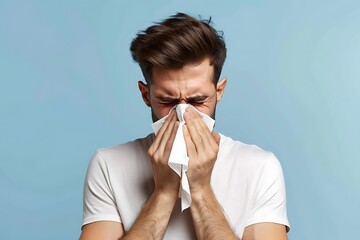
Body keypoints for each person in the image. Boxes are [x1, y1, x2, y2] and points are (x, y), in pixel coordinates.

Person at [79, 13, 290, 240]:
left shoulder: (260, 167)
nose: (182, 115)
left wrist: (200, 190)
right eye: (167, 102)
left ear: (218, 92)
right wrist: (164, 192)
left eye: (198, 101)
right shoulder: (109, 165)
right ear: (145, 95)